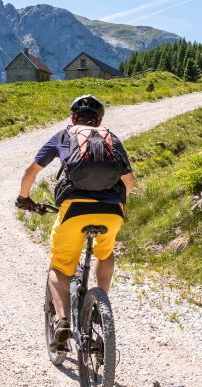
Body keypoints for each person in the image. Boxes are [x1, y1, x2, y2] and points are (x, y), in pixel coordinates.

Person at [16, 95, 134, 347]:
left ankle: (61, 321)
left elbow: (31, 172)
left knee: (59, 267)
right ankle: (101, 302)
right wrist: (118, 205)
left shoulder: (63, 136)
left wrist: (23, 198)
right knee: (106, 253)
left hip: (74, 210)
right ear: (100, 120)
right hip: (111, 210)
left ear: (72, 118)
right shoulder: (112, 139)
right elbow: (129, 181)